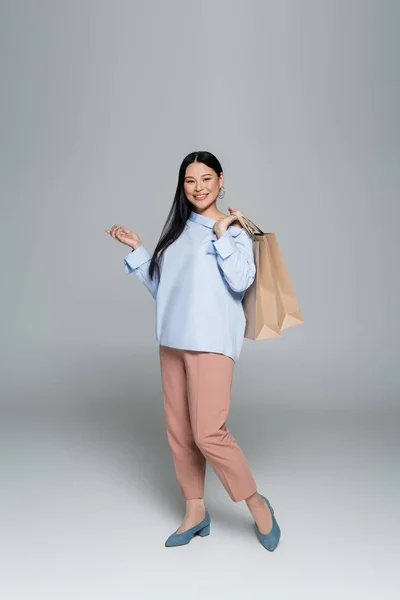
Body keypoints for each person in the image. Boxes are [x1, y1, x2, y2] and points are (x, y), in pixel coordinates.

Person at [105, 150, 281, 551]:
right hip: (172, 341)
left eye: (206, 179)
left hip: (211, 344)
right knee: (180, 434)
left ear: (221, 180)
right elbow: (166, 293)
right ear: (182, 186)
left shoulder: (232, 229)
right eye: (190, 180)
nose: (198, 188)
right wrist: (138, 250)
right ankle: (195, 511)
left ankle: (256, 503)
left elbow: (240, 282)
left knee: (208, 433)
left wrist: (221, 233)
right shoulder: (179, 231)